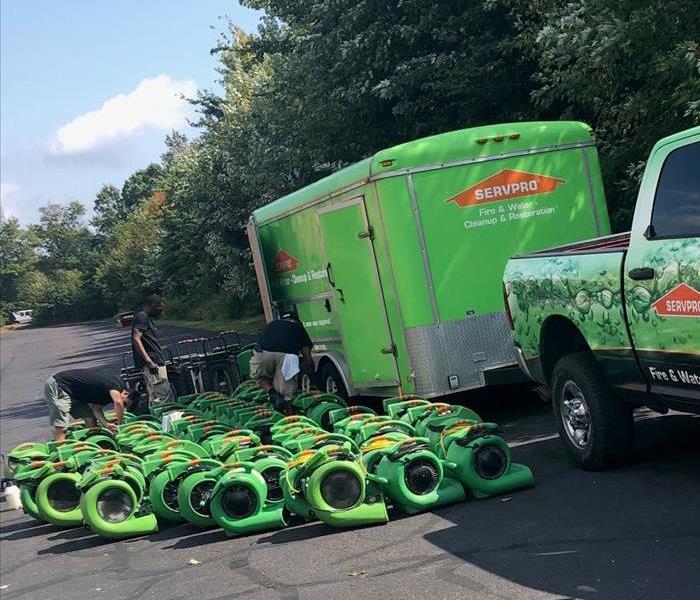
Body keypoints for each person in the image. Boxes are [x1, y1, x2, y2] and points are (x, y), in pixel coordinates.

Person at [45, 368, 131, 443]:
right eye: (125, 404)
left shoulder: (107, 394)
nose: (123, 407)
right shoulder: (116, 384)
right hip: (60, 385)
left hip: (75, 393)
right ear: (125, 393)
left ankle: (89, 446)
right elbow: (118, 402)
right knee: (61, 427)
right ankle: (61, 453)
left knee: (91, 422)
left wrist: (106, 424)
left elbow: (96, 408)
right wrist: (120, 424)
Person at [250, 312, 314, 411]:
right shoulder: (298, 328)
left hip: (264, 352)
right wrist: (310, 378)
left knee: (260, 377)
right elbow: (308, 360)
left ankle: (273, 394)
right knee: (287, 394)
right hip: (287, 356)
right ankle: (289, 414)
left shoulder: (272, 324)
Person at [131, 294, 174, 409]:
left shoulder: (145, 318)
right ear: (154, 306)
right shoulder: (142, 317)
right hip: (153, 363)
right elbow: (136, 338)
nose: (162, 311)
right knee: (163, 397)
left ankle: (161, 421)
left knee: (156, 397)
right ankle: (166, 422)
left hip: (154, 363)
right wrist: (149, 361)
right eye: (161, 307)